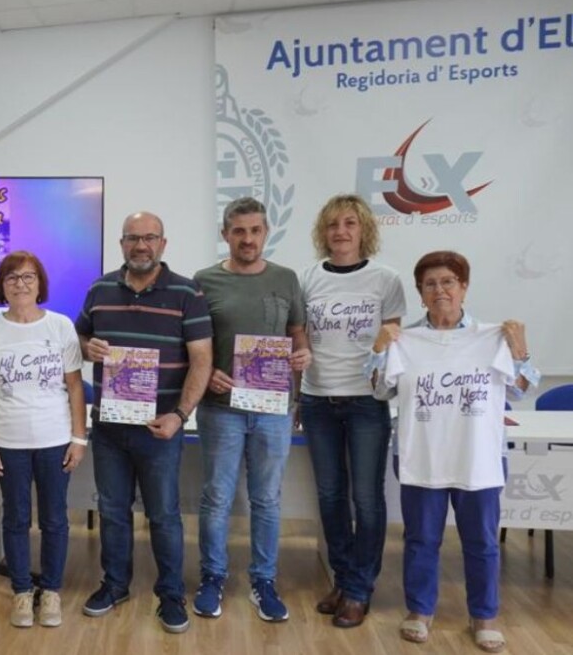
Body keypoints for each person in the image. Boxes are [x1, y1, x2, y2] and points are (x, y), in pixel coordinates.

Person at [371, 250, 539, 653]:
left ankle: (484, 616)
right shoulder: (405, 339)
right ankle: (420, 611)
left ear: (463, 287)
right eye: (430, 284)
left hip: (478, 459)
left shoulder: (492, 336)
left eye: (448, 281)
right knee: (421, 539)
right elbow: (380, 390)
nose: (440, 290)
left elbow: (520, 389)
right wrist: (378, 350)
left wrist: (520, 351)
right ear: (420, 294)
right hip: (422, 456)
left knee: (481, 542)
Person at [76, 211, 213, 634]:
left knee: (164, 516)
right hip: (110, 428)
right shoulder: (100, 289)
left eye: (149, 238)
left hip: (161, 428)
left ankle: (170, 593)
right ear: (122, 244)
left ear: (163, 244)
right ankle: (115, 584)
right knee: (113, 512)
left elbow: (202, 361)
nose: (141, 245)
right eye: (133, 238)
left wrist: (179, 416)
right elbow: (79, 340)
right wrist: (89, 347)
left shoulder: (187, 292)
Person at [191, 197, 311, 623]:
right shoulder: (203, 281)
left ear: (265, 232)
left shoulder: (286, 278)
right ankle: (212, 577)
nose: (247, 238)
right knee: (217, 496)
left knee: (266, 500)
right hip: (220, 408)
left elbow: (298, 336)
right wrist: (204, 376)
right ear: (225, 234)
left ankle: (263, 580)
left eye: (255, 230)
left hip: (272, 408)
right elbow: (191, 345)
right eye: (238, 231)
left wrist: (303, 359)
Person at [298, 194, 406, 627]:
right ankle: (343, 579)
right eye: (332, 225)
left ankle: (360, 588)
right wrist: (292, 396)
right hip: (318, 399)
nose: (340, 232)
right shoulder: (306, 279)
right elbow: (299, 341)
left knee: (367, 498)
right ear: (323, 233)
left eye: (349, 224)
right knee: (330, 496)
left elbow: (393, 344)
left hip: (367, 402)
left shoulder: (386, 280)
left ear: (364, 230)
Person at [0, 251, 88, 629]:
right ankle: (22, 592)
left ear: (40, 284)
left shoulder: (59, 327)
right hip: (9, 441)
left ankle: (51, 590)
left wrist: (78, 437)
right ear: (1, 286)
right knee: (16, 518)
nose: (20, 284)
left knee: (55, 518)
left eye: (28, 277)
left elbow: (74, 388)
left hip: (56, 439)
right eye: (12, 278)